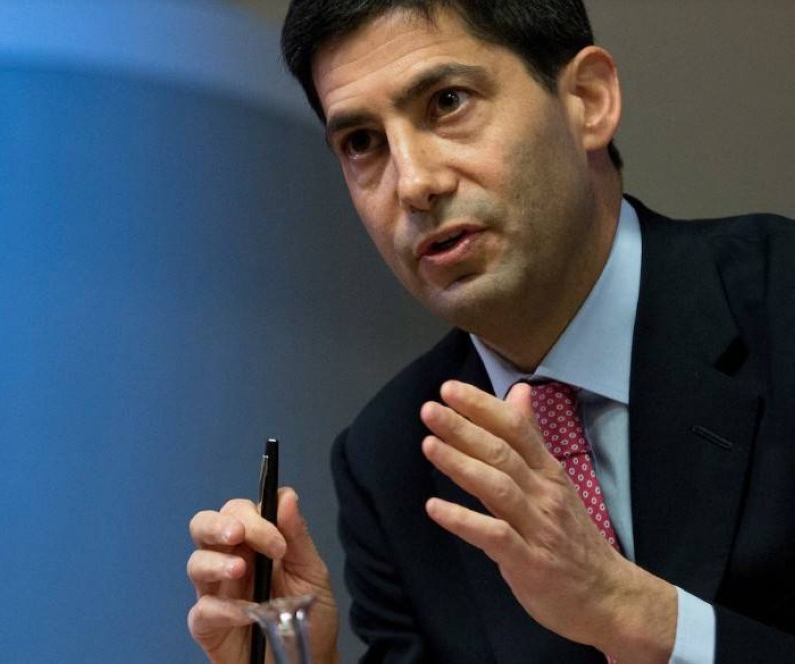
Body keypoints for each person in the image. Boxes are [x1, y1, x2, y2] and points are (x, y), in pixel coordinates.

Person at [186, 0, 795, 662]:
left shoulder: (778, 302)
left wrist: (630, 611)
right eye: (362, 142)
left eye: (447, 102)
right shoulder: (390, 462)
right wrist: (301, 652)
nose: (414, 183)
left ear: (588, 101)